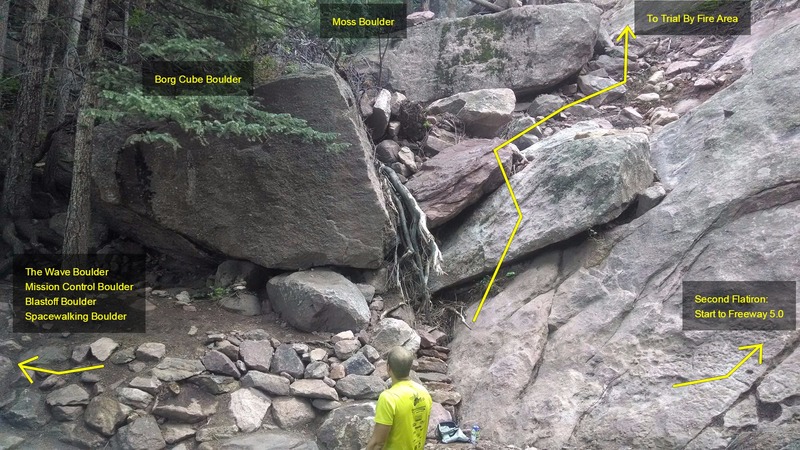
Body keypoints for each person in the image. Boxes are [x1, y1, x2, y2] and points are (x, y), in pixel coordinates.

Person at [366, 346, 432, 450]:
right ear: (409, 367)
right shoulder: (424, 393)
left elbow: (378, 443)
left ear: (388, 368)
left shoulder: (388, 398)